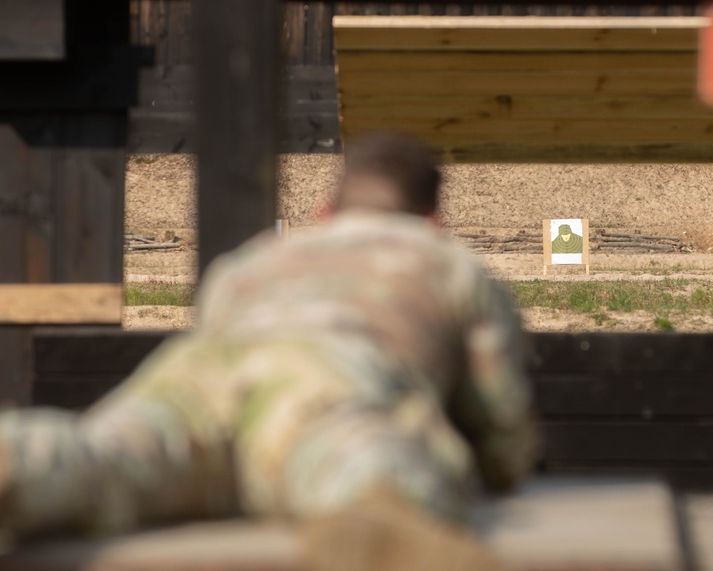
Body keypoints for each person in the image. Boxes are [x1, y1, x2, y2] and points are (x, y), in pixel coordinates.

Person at [0, 133, 537, 569]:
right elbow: (499, 414)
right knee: (373, 479)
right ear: (432, 221)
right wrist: (496, 466)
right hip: (326, 382)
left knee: (99, 455)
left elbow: (210, 327)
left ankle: (16, 461)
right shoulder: (446, 261)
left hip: (198, 377)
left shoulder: (251, 258)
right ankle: (380, 518)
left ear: (324, 212)